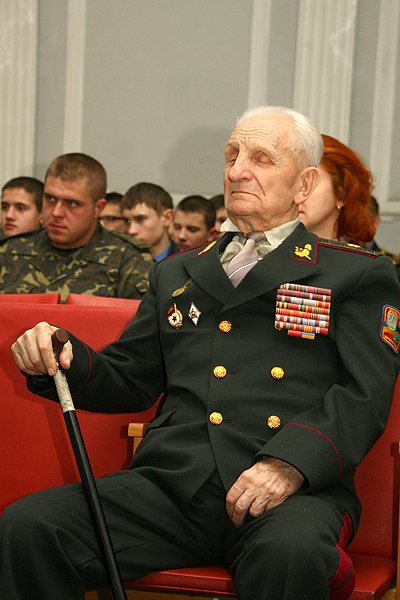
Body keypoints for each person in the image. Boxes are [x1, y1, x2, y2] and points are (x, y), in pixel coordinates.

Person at [2, 106, 400, 600]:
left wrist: (289, 463)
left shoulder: (353, 273)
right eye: (232, 156)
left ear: (304, 184)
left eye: (261, 158)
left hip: (291, 488)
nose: (237, 171)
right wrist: (63, 354)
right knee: (31, 527)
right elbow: (130, 378)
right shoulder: (178, 271)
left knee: (292, 554)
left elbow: (364, 394)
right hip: (175, 485)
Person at [0, 153, 152, 301]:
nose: (56, 212)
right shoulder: (9, 252)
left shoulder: (128, 259)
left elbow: (141, 316)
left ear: (98, 208)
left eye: (72, 203)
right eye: (50, 199)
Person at [298, 134, 376, 245]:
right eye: (289, 182)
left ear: (341, 196)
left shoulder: (357, 255)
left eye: (309, 182)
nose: (295, 194)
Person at [121, 181, 180, 261]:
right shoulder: (116, 261)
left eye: (140, 219)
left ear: (167, 218)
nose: (131, 230)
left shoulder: (186, 264)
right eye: (127, 221)